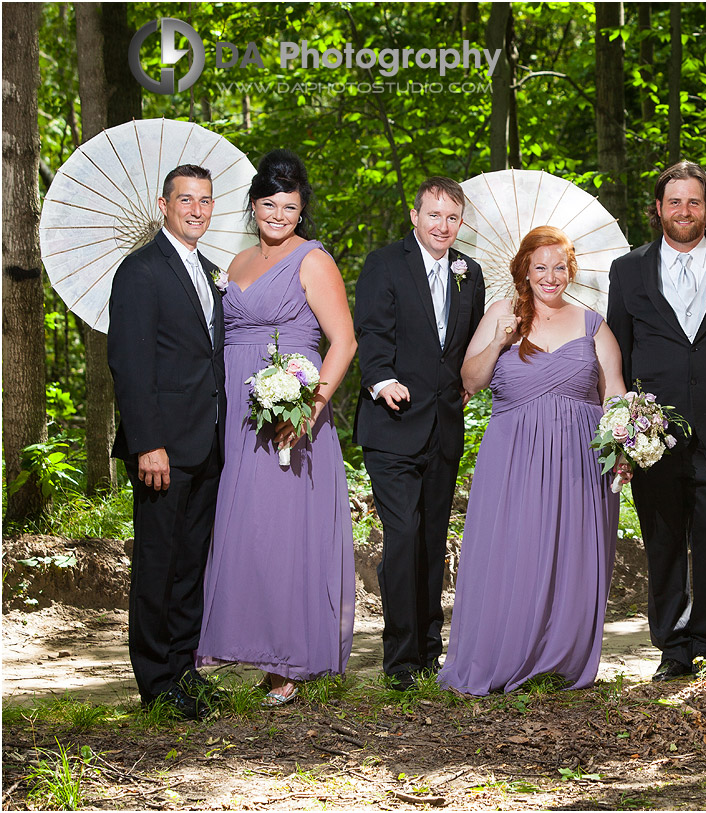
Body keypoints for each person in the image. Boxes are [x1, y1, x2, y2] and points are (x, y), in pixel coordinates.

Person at [194, 150, 357, 706]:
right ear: (254, 206)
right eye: (269, 204)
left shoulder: (313, 260)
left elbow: (344, 341)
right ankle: (251, 645)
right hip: (238, 411)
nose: (279, 215)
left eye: (289, 206)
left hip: (288, 412)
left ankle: (289, 658)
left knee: (286, 533)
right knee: (246, 532)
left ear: (301, 209)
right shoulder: (234, 263)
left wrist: (309, 409)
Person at [438, 227, 627, 695]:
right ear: (523, 267)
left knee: (571, 551)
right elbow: (471, 378)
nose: (550, 276)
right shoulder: (502, 313)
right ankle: (507, 650)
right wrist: (500, 342)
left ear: (571, 270)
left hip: (580, 461)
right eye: (540, 266)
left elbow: (616, 393)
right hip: (514, 456)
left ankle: (559, 656)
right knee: (515, 548)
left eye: (559, 266)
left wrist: (624, 445)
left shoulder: (593, 324)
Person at [606, 161, 706, 682]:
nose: (684, 211)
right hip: (654, 433)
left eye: (694, 201)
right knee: (664, 538)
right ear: (658, 209)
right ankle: (672, 645)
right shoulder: (628, 270)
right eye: (674, 202)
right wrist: (624, 429)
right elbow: (620, 355)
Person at [354, 177, 486, 691]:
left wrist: (470, 380)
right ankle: (401, 658)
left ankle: (431, 650)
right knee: (404, 535)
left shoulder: (468, 274)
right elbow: (372, 329)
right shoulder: (384, 264)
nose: (442, 225)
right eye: (433, 215)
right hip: (391, 426)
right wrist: (382, 379)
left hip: (444, 426)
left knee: (432, 539)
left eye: (452, 217)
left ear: (460, 223)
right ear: (415, 216)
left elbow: (466, 342)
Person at [108, 164, 225, 719]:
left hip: (206, 443)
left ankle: (183, 669)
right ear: (164, 204)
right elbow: (129, 365)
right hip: (162, 448)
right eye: (186, 199)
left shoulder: (207, 270)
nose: (197, 209)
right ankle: (156, 682)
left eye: (205, 200)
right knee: (158, 563)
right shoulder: (140, 271)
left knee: (189, 564)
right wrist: (147, 443)